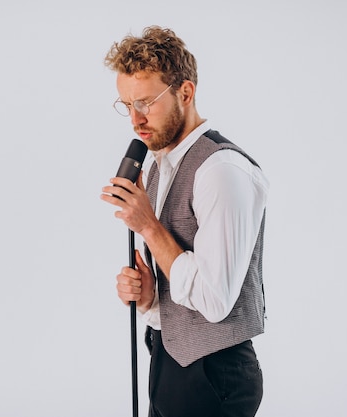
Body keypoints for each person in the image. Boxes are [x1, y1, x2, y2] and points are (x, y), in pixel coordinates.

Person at [100, 26, 269, 417]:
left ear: (185, 93)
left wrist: (148, 226)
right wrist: (149, 298)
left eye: (145, 102)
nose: (135, 119)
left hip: (214, 376)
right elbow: (181, 288)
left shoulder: (222, 170)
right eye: (126, 105)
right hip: (168, 364)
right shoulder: (163, 165)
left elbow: (214, 301)